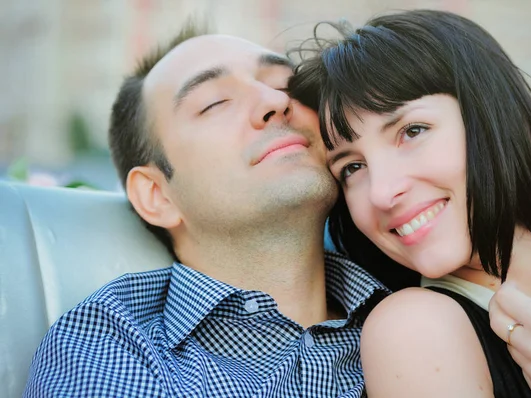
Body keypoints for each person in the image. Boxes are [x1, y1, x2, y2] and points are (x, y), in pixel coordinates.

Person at [23, 25, 392, 397]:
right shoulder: (108, 348)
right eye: (215, 103)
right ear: (156, 195)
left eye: (286, 86)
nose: (275, 102)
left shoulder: (413, 293)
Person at [288, 9, 531, 398]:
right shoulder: (412, 330)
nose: (382, 192)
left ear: (499, 116)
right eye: (352, 168)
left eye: (412, 131)